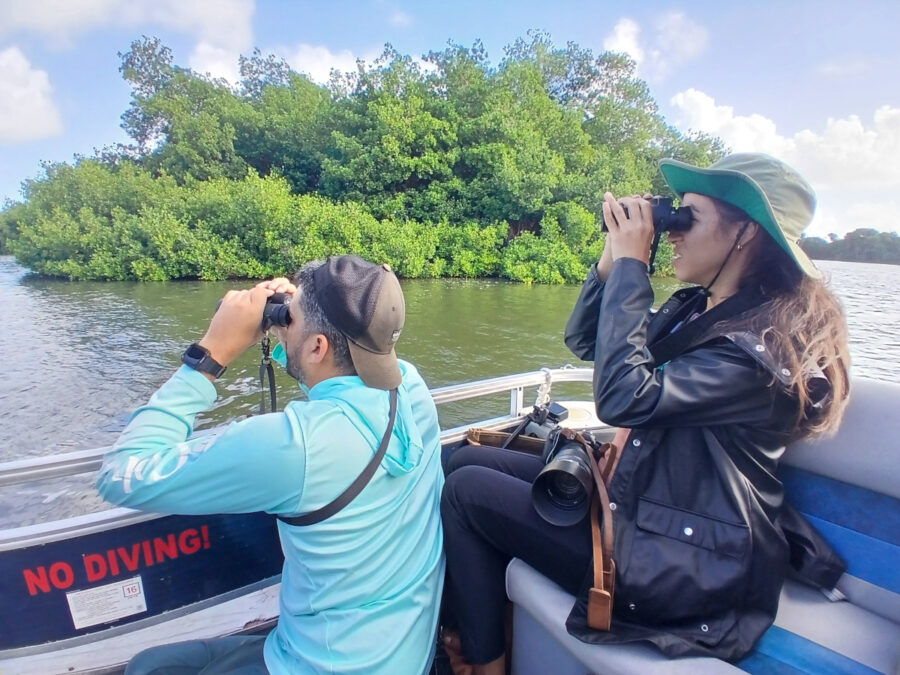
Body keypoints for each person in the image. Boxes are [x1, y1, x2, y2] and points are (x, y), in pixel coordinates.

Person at [440, 153, 850, 672]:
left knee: (467, 492)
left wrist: (635, 267)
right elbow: (587, 340)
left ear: (746, 231)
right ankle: (478, 639)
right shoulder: (698, 311)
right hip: (646, 504)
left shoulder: (764, 350)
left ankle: (484, 665)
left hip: (690, 564)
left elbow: (624, 397)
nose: (671, 231)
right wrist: (613, 260)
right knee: (463, 460)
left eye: (688, 217)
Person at [96, 255, 445, 675]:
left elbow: (121, 474)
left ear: (318, 347)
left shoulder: (293, 445)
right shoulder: (409, 386)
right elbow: (332, 374)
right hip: (403, 654)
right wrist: (293, 327)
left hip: (320, 666)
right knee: (156, 664)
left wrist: (212, 352)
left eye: (292, 319)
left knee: (147, 669)